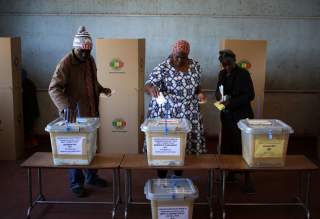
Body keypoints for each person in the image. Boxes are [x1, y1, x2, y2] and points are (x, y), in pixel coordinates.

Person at [48, 26, 111, 197]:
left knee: (91, 147)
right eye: (82, 52)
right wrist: (65, 107)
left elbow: (91, 82)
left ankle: (91, 176)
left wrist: (101, 89)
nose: (85, 55)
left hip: (90, 110)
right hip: (73, 114)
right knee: (75, 149)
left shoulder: (89, 60)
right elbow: (54, 88)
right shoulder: (66, 63)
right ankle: (76, 183)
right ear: (75, 48)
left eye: (88, 51)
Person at [145, 40, 207, 178]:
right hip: (167, 112)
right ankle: (161, 175)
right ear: (172, 53)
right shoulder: (164, 67)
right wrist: (151, 89)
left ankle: (178, 175)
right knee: (165, 144)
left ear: (188, 56)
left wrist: (199, 93)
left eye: (183, 57)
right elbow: (148, 84)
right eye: (176, 56)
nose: (179, 60)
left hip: (188, 112)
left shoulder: (195, 66)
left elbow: (197, 86)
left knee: (182, 145)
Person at [215, 49, 255, 193]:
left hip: (242, 116)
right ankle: (230, 173)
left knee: (243, 146)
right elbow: (217, 92)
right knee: (228, 145)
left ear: (234, 60)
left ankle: (247, 179)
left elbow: (250, 95)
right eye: (223, 65)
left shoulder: (244, 74)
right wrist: (220, 99)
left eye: (229, 64)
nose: (227, 67)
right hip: (227, 116)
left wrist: (230, 102)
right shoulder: (222, 74)